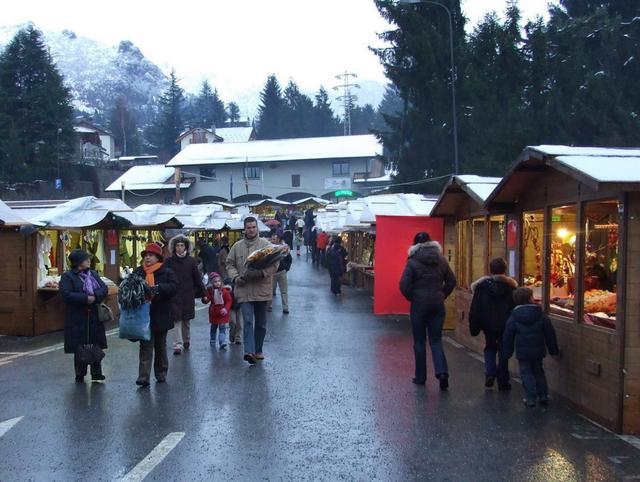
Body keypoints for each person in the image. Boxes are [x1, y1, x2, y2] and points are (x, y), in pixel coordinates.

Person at [399, 232, 456, 390]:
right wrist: (442, 295)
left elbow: (404, 285)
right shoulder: (441, 260)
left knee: (419, 342)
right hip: (437, 304)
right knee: (436, 340)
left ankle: (420, 377)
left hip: (419, 304)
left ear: (415, 245)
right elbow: (452, 281)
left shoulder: (412, 262)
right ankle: (442, 372)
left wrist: (413, 297)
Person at [226, 217, 280, 364]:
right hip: (243, 290)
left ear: (257, 228)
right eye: (248, 227)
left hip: (261, 290)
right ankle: (249, 352)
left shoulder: (266, 245)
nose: (251, 230)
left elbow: (275, 264)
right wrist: (236, 277)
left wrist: (261, 273)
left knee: (261, 323)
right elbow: (229, 264)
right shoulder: (236, 246)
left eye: (253, 227)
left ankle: (258, 349)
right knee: (248, 321)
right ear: (244, 229)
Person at [503, 287, 560, 407]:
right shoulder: (541, 315)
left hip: (522, 351)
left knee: (526, 373)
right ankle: (543, 395)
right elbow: (550, 333)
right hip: (538, 350)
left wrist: (507, 352)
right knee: (539, 371)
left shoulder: (514, 316)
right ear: (530, 298)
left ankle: (530, 398)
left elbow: (508, 335)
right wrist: (553, 350)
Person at [469, 257, 518, 391]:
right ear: (505, 269)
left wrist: (474, 325)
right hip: (505, 324)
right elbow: (514, 307)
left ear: (491, 270)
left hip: (488, 324)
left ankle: (490, 373)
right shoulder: (511, 287)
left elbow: (476, 307)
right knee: (503, 351)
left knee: (490, 347)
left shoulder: (482, 287)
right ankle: (503, 381)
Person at [60, 249, 108, 383]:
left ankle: (97, 373)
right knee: (80, 345)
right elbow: (66, 294)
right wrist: (86, 298)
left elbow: (103, 288)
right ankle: (80, 373)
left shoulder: (92, 274)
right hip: (77, 316)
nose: (89, 261)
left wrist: (96, 296)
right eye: (86, 259)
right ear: (78, 262)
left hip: (93, 315)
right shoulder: (68, 277)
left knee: (94, 343)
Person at [133, 243, 177, 386]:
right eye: (145, 255)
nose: (147, 258)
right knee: (145, 345)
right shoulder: (139, 272)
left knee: (160, 345)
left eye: (150, 255)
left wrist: (158, 288)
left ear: (157, 257)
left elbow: (173, 287)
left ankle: (161, 373)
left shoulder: (166, 271)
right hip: (143, 314)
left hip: (161, 313)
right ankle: (143, 377)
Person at [164, 235, 205, 355]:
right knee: (176, 319)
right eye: (177, 245)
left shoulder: (191, 261)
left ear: (186, 247)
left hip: (188, 294)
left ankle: (186, 339)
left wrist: (204, 293)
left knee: (186, 320)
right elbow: (164, 276)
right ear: (174, 247)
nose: (179, 248)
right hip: (174, 294)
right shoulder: (169, 261)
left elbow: (197, 278)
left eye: (182, 245)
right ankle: (177, 344)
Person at [202, 272, 233, 349]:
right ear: (212, 283)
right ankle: (212, 339)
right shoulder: (210, 291)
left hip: (222, 312)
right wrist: (205, 299)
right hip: (214, 312)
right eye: (215, 282)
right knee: (214, 327)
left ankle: (222, 341)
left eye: (219, 281)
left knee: (222, 328)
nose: (218, 283)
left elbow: (229, 301)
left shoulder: (224, 291)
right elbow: (207, 299)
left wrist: (226, 308)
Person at [268, 232, 292, 314]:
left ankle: (285, 307)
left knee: (284, 291)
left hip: (281, 272)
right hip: (272, 272)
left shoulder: (283, 248)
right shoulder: (269, 248)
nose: (272, 240)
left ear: (278, 239)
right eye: (272, 239)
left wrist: (286, 269)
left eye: (274, 239)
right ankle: (269, 306)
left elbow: (289, 259)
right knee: (270, 290)